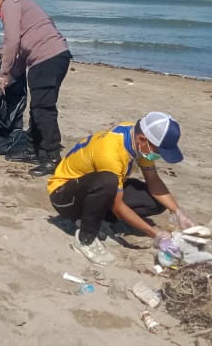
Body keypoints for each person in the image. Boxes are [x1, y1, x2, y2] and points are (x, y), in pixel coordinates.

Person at [47, 112, 196, 266]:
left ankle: (101, 220)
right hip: (63, 195)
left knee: (155, 202)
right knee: (108, 181)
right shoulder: (110, 152)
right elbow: (117, 206)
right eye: (158, 151)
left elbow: (153, 181)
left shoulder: (136, 138)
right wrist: (156, 234)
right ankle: (86, 238)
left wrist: (178, 212)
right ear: (142, 140)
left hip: (94, 189)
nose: (158, 156)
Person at [0, 0, 72, 176]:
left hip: (47, 58)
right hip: (53, 56)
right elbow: (22, 51)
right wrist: (11, 75)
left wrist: (3, 73)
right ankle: (33, 148)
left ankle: (51, 157)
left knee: (43, 108)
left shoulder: (10, 3)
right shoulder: (22, 3)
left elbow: (12, 41)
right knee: (38, 105)